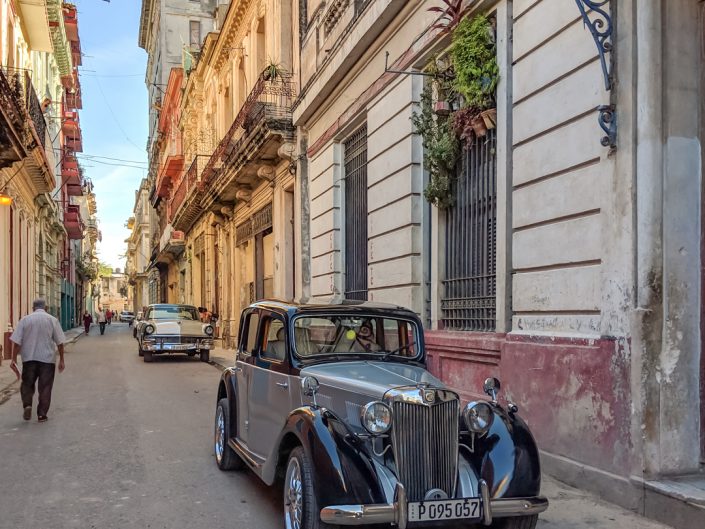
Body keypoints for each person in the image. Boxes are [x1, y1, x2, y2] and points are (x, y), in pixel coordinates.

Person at [9, 299, 66, 422]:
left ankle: (27, 405)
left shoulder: (25, 320)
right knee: (45, 387)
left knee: (27, 384)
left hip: (29, 359)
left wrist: (13, 359)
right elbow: (60, 342)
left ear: (33, 308)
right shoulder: (52, 320)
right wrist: (61, 359)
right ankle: (41, 414)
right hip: (47, 360)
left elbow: (16, 342)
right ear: (45, 308)